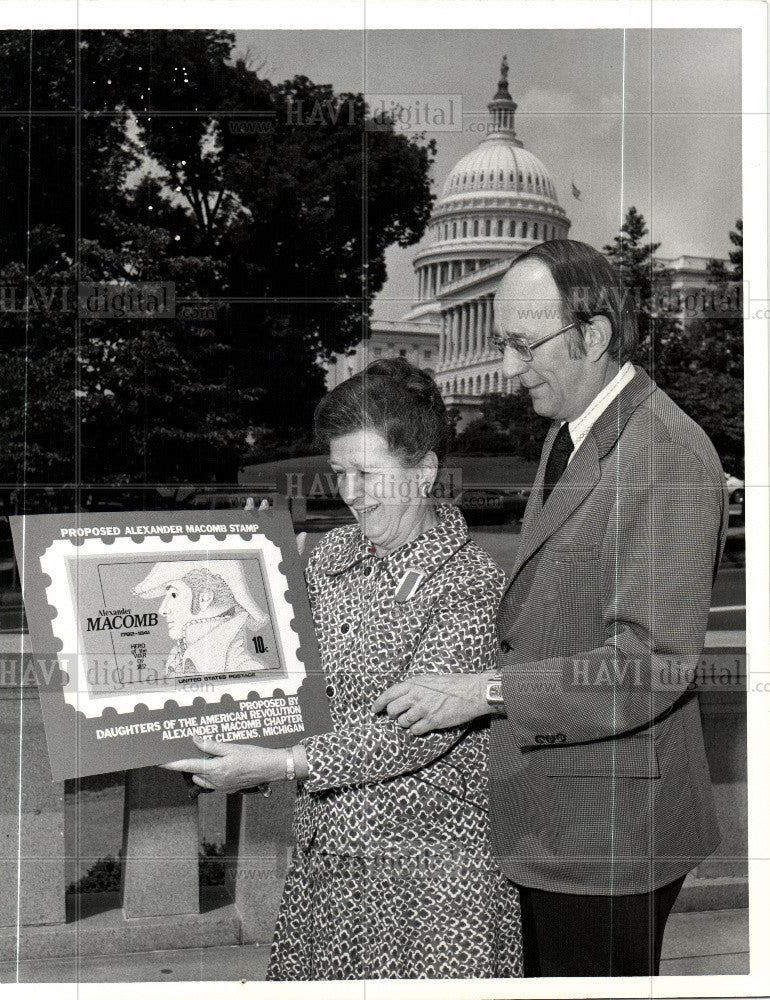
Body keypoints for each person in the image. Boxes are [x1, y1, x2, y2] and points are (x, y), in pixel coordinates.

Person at [375, 240, 728, 978]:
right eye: (502, 343)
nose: (506, 369)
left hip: (609, 835)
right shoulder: (571, 432)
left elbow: (650, 665)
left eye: (523, 345)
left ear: (593, 336)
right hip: (556, 815)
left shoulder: (664, 453)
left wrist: (484, 692)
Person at [165, 358, 523, 980]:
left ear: (424, 472)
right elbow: (275, 669)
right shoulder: (330, 555)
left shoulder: (469, 581)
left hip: (431, 884)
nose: (350, 492)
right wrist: (238, 561)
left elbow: (409, 727)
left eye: (367, 473)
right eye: (339, 473)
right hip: (327, 869)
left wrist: (277, 764)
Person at [133, 560, 269, 676]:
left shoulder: (245, 669)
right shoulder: (176, 659)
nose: (162, 610)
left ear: (205, 599)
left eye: (174, 595)